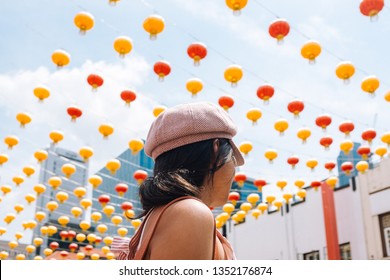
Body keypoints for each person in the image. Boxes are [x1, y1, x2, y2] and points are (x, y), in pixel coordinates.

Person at [114, 102, 245, 260]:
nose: (234, 171)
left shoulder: (168, 214)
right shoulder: (190, 213)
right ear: (215, 149)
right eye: (232, 158)